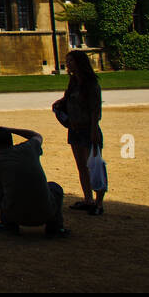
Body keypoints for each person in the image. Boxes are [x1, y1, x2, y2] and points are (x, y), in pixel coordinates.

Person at [0, 126, 68, 238]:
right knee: (54, 187)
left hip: (16, 215)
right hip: (46, 213)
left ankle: (8, 224)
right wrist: (11, 130)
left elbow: (4, 184)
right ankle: (56, 227)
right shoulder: (29, 148)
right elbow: (36, 135)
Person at [58, 50, 106, 215]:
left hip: (87, 129)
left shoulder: (90, 84)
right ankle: (88, 199)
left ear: (80, 63)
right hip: (74, 129)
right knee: (82, 167)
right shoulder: (74, 82)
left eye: (71, 61)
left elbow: (95, 111)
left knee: (94, 166)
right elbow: (67, 100)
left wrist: (93, 132)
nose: (68, 64)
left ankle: (99, 203)